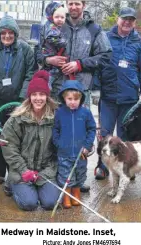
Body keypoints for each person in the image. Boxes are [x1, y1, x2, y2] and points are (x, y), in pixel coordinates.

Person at [92, 7, 141, 179]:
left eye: (131, 20)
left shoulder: (139, 43)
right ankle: (102, 167)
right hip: (108, 97)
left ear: (135, 22)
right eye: (124, 19)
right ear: (118, 19)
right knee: (105, 135)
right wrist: (96, 88)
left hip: (129, 98)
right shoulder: (105, 38)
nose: (127, 22)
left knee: (125, 138)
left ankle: (125, 167)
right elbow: (97, 63)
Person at [0, 16, 36, 187]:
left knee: (18, 137)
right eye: (3, 33)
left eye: (10, 32)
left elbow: (30, 74)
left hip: (18, 102)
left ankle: (17, 171)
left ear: (15, 34)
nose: (6, 36)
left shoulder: (25, 50)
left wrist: (22, 99)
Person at [0, 70, 60, 211]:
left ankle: (40, 188)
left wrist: (48, 172)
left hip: (45, 171)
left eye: (42, 94)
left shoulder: (56, 118)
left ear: (47, 96)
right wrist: (23, 170)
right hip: (21, 171)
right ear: (29, 97)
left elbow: (59, 150)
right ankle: (13, 184)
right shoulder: (17, 119)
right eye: (34, 95)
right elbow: (9, 147)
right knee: (29, 204)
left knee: (50, 203)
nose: (38, 98)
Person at [37, 0, 112, 105]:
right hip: (56, 89)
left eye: (77, 4)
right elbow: (38, 51)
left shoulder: (94, 29)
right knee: (55, 121)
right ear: (67, 4)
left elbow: (106, 56)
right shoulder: (55, 24)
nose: (73, 7)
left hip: (80, 90)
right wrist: (48, 60)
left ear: (84, 5)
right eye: (71, 4)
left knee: (79, 121)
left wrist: (79, 64)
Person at [53, 80, 96, 209]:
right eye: (69, 99)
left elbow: (91, 129)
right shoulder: (59, 113)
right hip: (64, 152)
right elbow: (55, 129)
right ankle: (67, 197)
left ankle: (76, 195)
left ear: (81, 98)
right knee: (65, 175)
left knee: (80, 174)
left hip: (80, 153)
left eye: (76, 99)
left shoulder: (85, 113)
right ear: (64, 98)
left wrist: (87, 146)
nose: (73, 102)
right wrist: (58, 143)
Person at [41, 2, 68, 87]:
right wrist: (64, 42)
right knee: (50, 76)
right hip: (49, 54)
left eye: (62, 17)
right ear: (51, 16)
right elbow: (51, 37)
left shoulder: (56, 26)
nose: (60, 19)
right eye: (57, 17)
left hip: (52, 55)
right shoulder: (51, 26)